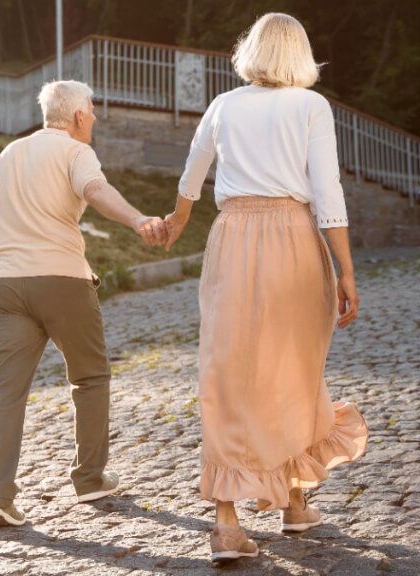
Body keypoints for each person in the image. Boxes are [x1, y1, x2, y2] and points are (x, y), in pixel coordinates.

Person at [163, 13, 369, 562]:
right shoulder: (311, 107)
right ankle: (290, 502)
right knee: (293, 366)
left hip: (232, 238)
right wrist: (345, 268)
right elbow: (327, 192)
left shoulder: (224, 105)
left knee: (229, 368)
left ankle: (240, 517)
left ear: (250, 50)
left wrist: (176, 222)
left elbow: (191, 175)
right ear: (300, 53)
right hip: (294, 239)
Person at [0, 79, 169, 527]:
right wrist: (139, 219)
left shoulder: (7, 155)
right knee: (89, 377)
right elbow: (96, 191)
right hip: (62, 279)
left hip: (3, 285)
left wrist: (5, 266)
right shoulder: (75, 151)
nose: (96, 118)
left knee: (3, 390)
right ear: (79, 116)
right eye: (94, 111)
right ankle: (89, 479)